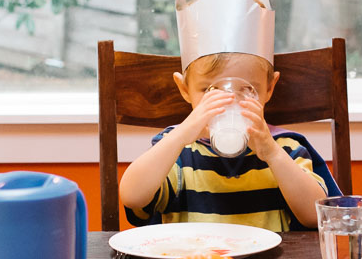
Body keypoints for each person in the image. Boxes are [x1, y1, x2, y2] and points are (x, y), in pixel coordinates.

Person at [118, 42, 335, 232]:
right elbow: (132, 197)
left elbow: (317, 217)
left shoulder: (285, 149)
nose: (229, 102)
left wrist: (273, 154)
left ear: (269, 88)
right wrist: (181, 134)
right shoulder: (177, 153)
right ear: (184, 89)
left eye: (248, 89)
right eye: (209, 91)